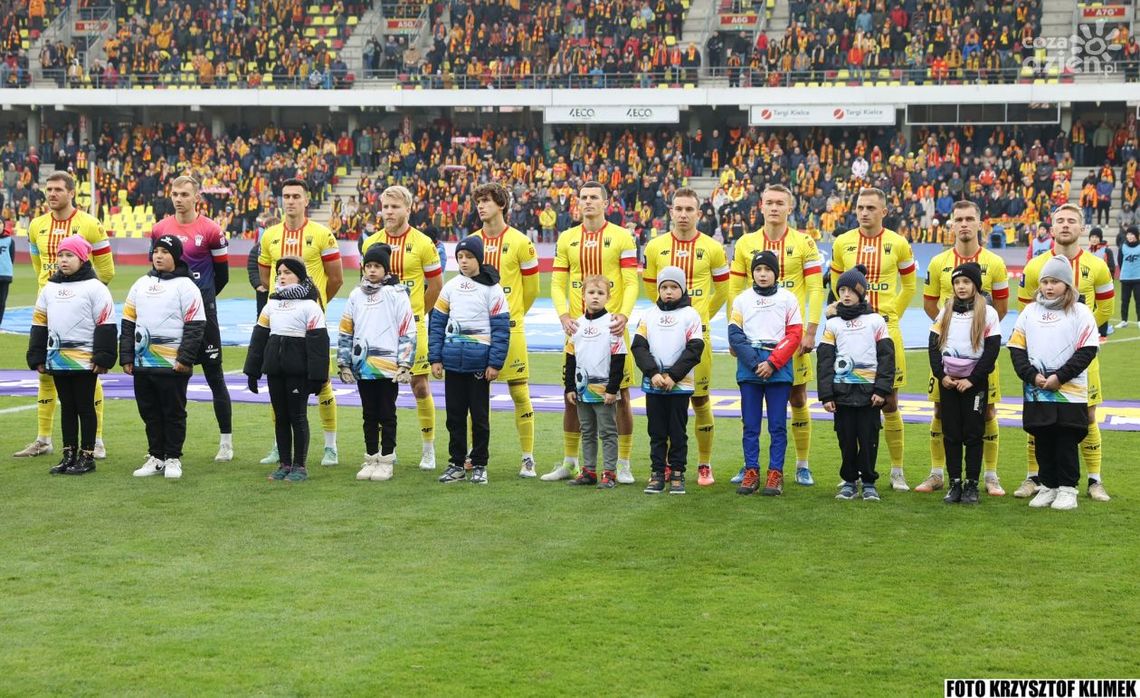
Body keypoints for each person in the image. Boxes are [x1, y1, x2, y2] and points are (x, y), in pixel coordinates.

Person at [1016, 203, 1114, 502]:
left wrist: (1078, 336)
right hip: (1042, 361)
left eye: (1072, 220)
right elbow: (1025, 308)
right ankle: (1036, 477)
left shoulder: (1098, 265)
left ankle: (1094, 480)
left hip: (1080, 361)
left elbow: (1106, 307)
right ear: (1052, 226)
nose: (1066, 225)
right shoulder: (1035, 266)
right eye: (1060, 220)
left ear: (1081, 228)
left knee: (1088, 415)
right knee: (1040, 416)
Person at [728, 184, 824, 487]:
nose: (774, 207)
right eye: (769, 202)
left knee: (797, 396)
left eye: (780, 203)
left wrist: (811, 330)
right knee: (751, 407)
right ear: (760, 205)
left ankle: (801, 465)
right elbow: (735, 289)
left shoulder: (804, 241)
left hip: (791, 338)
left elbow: (815, 287)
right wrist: (733, 334)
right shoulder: (745, 242)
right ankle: (751, 466)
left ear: (789, 207)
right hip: (753, 338)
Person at [544, 181, 639, 484]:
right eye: (583, 197)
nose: (588, 202)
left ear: (605, 203)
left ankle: (622, 464)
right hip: (578, 329)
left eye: (594, 197)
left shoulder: (622, 236)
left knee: (621, 395)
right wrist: (563, 315)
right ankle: (571, 462)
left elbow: (631, 281)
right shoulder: (567, 238)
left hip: (612, 328)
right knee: (572, 395)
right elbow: (557, 283)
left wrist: (624, 315)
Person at [16, 171, 115, 460]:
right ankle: (43, 439)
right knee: (45, 373)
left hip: (80, 314)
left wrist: (81, 297)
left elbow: (106, 271)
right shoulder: (36, 225)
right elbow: (39, 269)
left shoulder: (90, 224)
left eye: (58, 189)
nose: (52, 194)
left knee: (88, 374)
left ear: (71, 192)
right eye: (48, 189)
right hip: (49, 311)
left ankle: (96, 441)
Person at [917, 200, 1010, 496]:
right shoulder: (938, 262)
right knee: (940, 410)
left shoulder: (995, 263)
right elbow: (930, 304)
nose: (965, 224)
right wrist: (952, 333)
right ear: (952, 225)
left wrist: (974, 334)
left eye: (970, 219)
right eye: (959, 219)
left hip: (980, 356)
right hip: (947, 356)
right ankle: (938, 474)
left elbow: (1001, 308)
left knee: (987, 411)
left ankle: (990, 476)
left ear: (980, 224)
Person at [829, 187, 916, 491]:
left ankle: (896, 471)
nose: (864, 212)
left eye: (870, 208)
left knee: (889, 401)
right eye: (860, 207)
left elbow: (909, 286)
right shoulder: (842, 242)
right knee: (849, 400)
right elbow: (835, 284)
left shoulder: (898, 243)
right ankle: (852, 473)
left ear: (884, 211)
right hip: (851, 333)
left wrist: (891, 314)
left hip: (886, 331)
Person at [641, 188, 729, 486]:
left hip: (696, 339)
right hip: (663, 336)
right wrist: (668, 317)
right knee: (664, 400)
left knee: (701, 399)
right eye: (678, 209)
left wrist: (700, 317)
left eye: (689, 209)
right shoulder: (655, 246)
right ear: (670, 211)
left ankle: (704, 464)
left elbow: (723, 291)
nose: (683, 214)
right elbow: (651, 288)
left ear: (699, 214)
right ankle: (666, 465)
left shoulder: (713, 247)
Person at [257, 177, 343, 467]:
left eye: (296, 196)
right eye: (286, 196)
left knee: (322, 380)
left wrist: (316, 304)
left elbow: (336, 278)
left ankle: (330, 446)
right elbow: (266, 276)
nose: (291, 201)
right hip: (280, 321)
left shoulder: (322, 234)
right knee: (277, 379)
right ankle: (278, 445)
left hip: (310, 323)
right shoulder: (269, 235)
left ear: (306, 200)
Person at [150, 175, 233, 462]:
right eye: (175, 194)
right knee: (175, 379)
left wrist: (201, 300)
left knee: (215, 377)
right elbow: (157, 269)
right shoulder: (160, 228)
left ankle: (226, 442)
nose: (178, 199)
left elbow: (222, 275)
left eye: (185, 194)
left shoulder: (211, 230)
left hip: (204, 316)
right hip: (171, 317)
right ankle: (170, 448)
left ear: (196, 198)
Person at [361, 186, 443, 471]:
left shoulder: (423, 243)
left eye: (395, 207)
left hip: (413, 328)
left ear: (408, 209)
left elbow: (436, 286)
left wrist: (416, 314)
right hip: (379, 328)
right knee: (380, 388)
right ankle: (387, 450)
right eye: (385, 206)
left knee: (419, 385)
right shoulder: (371, 242)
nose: (389, 212)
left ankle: (428, 449)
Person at [1008, 255, 1099, 511]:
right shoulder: (1030, 312)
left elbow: (1087, 350)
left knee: (1066, 437)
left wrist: (1059, 377)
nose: (1049, 287)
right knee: (1043, 436)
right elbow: (1016, 347)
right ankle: (1048, 485)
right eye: (1045, 282)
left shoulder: (1080, 312)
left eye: (1055, 282)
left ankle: (1068, 489)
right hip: (1037, 390)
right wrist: (1031, 376)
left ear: (1067, 285)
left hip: (1069, 391)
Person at [25, 236, 117, 476]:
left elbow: (106, 324)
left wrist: (103, 356)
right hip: (57, 358)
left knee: (85, 406)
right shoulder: (50, 288)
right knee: (67, 407)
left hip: (85, 360)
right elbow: (39, 324)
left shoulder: (96, 288)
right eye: (61, 255)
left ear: (82, 258)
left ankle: (87, 456)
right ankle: (68, 454)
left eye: (69, 256)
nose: (63, 260)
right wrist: (37, 355)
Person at [121, 234, 206, 481]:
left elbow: (195, 325)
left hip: (173, 364)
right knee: (149, 412)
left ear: (176, 256)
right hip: (143, 362)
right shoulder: (140, 284)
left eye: (165, 252)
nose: (158, 256)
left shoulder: (186, 286)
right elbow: (128, 322)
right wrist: (127, 356)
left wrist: (185, 359)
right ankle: (156, 457)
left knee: (173, 412)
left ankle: (173, 458)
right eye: (156, 251)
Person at [470, 182, 540, 477]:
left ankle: (528, 457)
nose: (481, 206)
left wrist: (513, 316)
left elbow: (532, 289)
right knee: (477, 395)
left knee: (519, 391)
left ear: (501, 204)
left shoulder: (521, 242)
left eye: (486, 200)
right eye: (478, 201)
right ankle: (475, 455)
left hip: (511, 329)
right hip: (477, 330)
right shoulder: (471, 241)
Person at [428, 236, 510, 486]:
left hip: (479, 365)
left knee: (479, 418)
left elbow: (501, 329)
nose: (464, 261)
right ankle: (456, 464)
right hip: (453, 362)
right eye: (460, 257)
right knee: (454, 416)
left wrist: (495, 363)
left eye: (469, 257)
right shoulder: (450, 287)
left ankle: (479, 464)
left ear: (479, 259)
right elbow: (437, 323)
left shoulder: (492, 289)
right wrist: (435, 358)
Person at [244, 257, 331, 483]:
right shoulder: (271, 304)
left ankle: (299, 466)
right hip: (275, 370)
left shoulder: (311, 306)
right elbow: (259, 338)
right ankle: (284, 464)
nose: (281, 277)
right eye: (279, 272)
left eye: (287, 272)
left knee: (297, 417)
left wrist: (318, 377)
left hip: (298, 373)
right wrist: (252, 371)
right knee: (280, 417)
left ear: (300, 277)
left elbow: (319, 344)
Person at [336, 243, 415, 482]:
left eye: (377, 266)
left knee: (387, 414)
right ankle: (371, 458)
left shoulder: (396, 294)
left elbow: (407, 329)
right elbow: (346, 330)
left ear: (386, 269)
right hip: (363, 367)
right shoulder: (355, 295)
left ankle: (387, 460)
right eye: (368, 266)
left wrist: (405, 364)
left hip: (389, 368)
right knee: (369, 414)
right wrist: (344, 363)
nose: (372, 270)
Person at [728, 250, 803, 496]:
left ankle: (775, 473)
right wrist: (754, 363)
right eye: (758, 270)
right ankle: (751, 471)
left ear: (776, 273)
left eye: (768, 270)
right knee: (750, 425)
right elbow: (735, 335)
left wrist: (772, 363)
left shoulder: (788, 299)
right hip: (750, 369)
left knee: (777, 425)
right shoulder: (742, 300)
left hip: (778, 369)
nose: (762, 274)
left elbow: (794, 334)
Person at [817, 265, 894, 502]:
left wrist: (882, 390)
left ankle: (869, 483)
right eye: (842, 290)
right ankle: (849, 482)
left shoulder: (875, 321)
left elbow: (887, 357)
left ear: (861, 292)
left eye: (851, 290)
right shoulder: (833, 324)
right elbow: (825, 360)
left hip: (870, 394)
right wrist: (826, 395)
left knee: (869, 440)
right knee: (847, 440)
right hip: (842, 393)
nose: (846, 295)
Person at [927, 262, 1002, 505]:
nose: (961, 286)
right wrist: (942, 376)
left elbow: (992, 350)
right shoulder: (945, 311)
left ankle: (971, 484)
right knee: (951, 434)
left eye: (966, 282)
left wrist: (972, 380)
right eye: (957, 282)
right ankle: (955, 483)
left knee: (973, 433)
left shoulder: (988, 313)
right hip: (949, 382)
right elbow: (933, 345)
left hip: (974, 384)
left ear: (976, 285)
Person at [632, 266, 705, 495]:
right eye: (664, 287)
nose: (669, 291)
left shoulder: (690, 315)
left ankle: (677, 473)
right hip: (654, 384)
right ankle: (657, 473)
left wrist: (673, 376)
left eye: (674, 287)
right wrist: (653, 373)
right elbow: (639, 347)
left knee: (677, 431)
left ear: (682, 289)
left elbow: (695, 349)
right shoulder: (649, 314)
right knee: (656, 432)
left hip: (679, 386)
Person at [563, 275, 627, 489]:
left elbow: (618, 359)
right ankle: (589, 471)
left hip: (604, 389)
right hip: (582, 390)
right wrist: (570, 387)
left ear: (608, 297)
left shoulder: (613, 325)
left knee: (607, 432)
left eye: (600, 293)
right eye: (591, 292)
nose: (595, 297)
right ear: (583, 295)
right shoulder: (577, 325)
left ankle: (609, 473)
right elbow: (570, 358)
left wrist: (612, 389)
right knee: (587, 430)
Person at [1116, 226, 1140, 327]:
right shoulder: (1123, 247)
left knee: (1138, 300)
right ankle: (1124, 321)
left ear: (1137, 236)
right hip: (1125, 278)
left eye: (1132, 234)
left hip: (1138, 278)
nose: (1129, 236)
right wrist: (1126, 271)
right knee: (1124, 301)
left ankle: (1139, 321)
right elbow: (1120, 261)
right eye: (1128, 234)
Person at [0, 221, 12, 327]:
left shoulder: (9, 240)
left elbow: (11, 258)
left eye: (0, 223)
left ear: (3, 225)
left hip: (4, 275)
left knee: (1, 303)